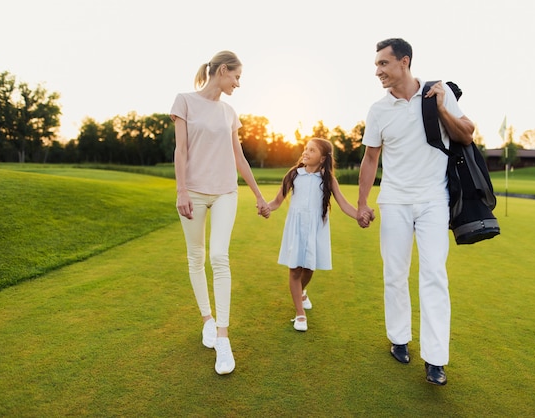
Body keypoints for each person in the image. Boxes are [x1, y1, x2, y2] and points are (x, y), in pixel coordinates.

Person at [356, 38, 474, 386]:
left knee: (434, 274)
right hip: (393, 201)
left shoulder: (438, 92)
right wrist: (362, 203)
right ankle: (399, 338)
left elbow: (466, 135)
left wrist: (440, 108)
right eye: (376, 65)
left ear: (404, 61)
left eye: (383, 64)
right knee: (395, 273)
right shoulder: (377, 110)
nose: (377, 71)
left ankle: (436, 360)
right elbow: (370, 158)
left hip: (434, 200)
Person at [170, 50, 271, 375]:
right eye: (237, 77)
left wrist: (257, 195)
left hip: (226, 191)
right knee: (195, 257)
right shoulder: (184, 101)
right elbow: (181, 149)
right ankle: (207, 320)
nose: (238, 84)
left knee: (219, 256)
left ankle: (223, 338)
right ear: (223, 70)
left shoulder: (229, 112)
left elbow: (239, 159)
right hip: (194, 193)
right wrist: (181, 191)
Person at [267, 138, 367, 332]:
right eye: (305, 149)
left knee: (309, 268)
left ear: (322, 158)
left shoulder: (328, 179)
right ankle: (299, 314)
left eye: (311, 150)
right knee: (295, 269)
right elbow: (277, 201)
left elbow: (344, 204)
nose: (305, 152)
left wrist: (359, 215)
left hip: (316, 228)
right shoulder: (294, 174)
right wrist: (266, 208)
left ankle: (302, 293)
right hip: (296, 226)